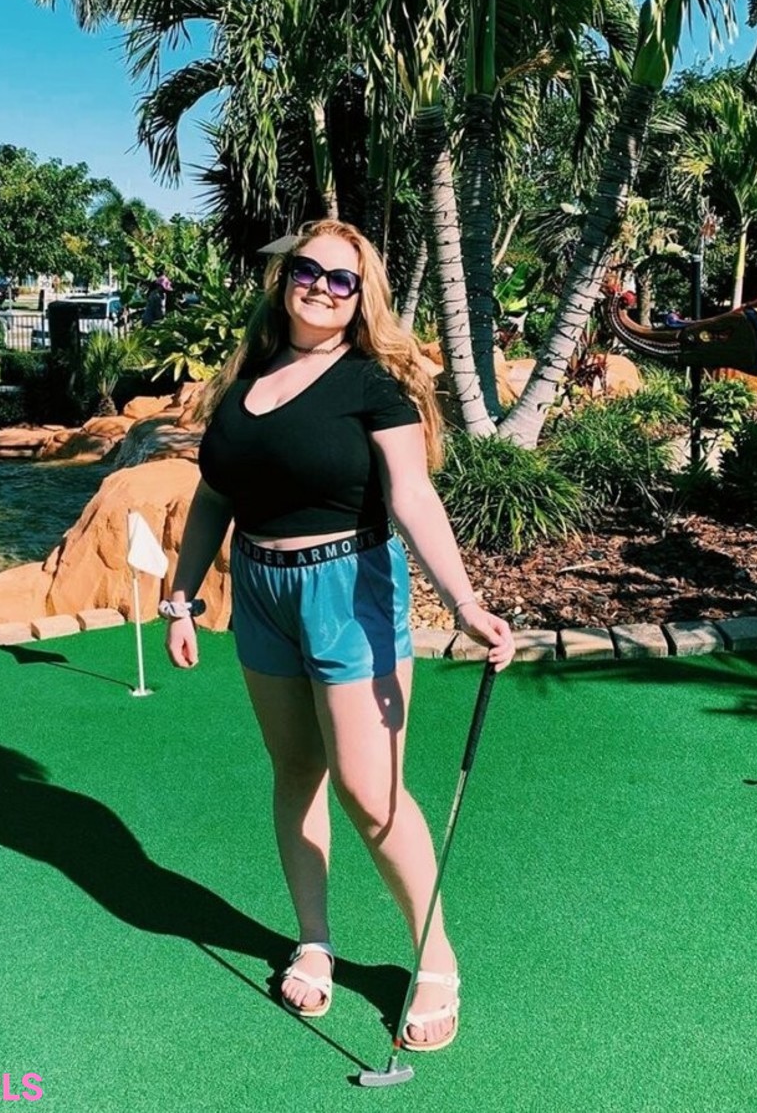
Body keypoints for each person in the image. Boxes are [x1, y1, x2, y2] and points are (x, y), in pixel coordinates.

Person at [162, 219, 515, 1052]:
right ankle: (314, 940)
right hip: (260, 590)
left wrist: (464, 602)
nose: (321, 287)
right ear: (285, 278)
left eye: (341, 279)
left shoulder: (374, 383)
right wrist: (182, 594)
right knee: (296, 772)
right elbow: (216, 494)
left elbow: (413, 496)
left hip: (348, 588)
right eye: (308, 270)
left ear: (362, 297)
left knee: (369, 789)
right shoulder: (247, 375)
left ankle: (435, 956)